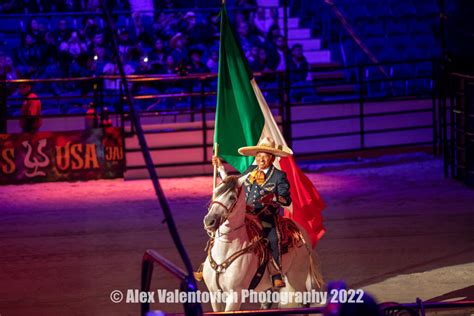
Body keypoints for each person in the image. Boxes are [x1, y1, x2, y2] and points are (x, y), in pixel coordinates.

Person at [212, 137, 292, 288]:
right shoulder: (250, 171)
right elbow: (234, 184)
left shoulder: (279, 176)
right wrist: (221, 168)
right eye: (259, 156)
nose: (261, 159)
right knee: (221, 229)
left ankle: (276, 273)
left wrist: (274, 197)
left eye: (265, 156)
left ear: (272, 158)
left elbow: (286, 200)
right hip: (246, 214)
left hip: (265, 216)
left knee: (273, 238)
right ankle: (208, 264)